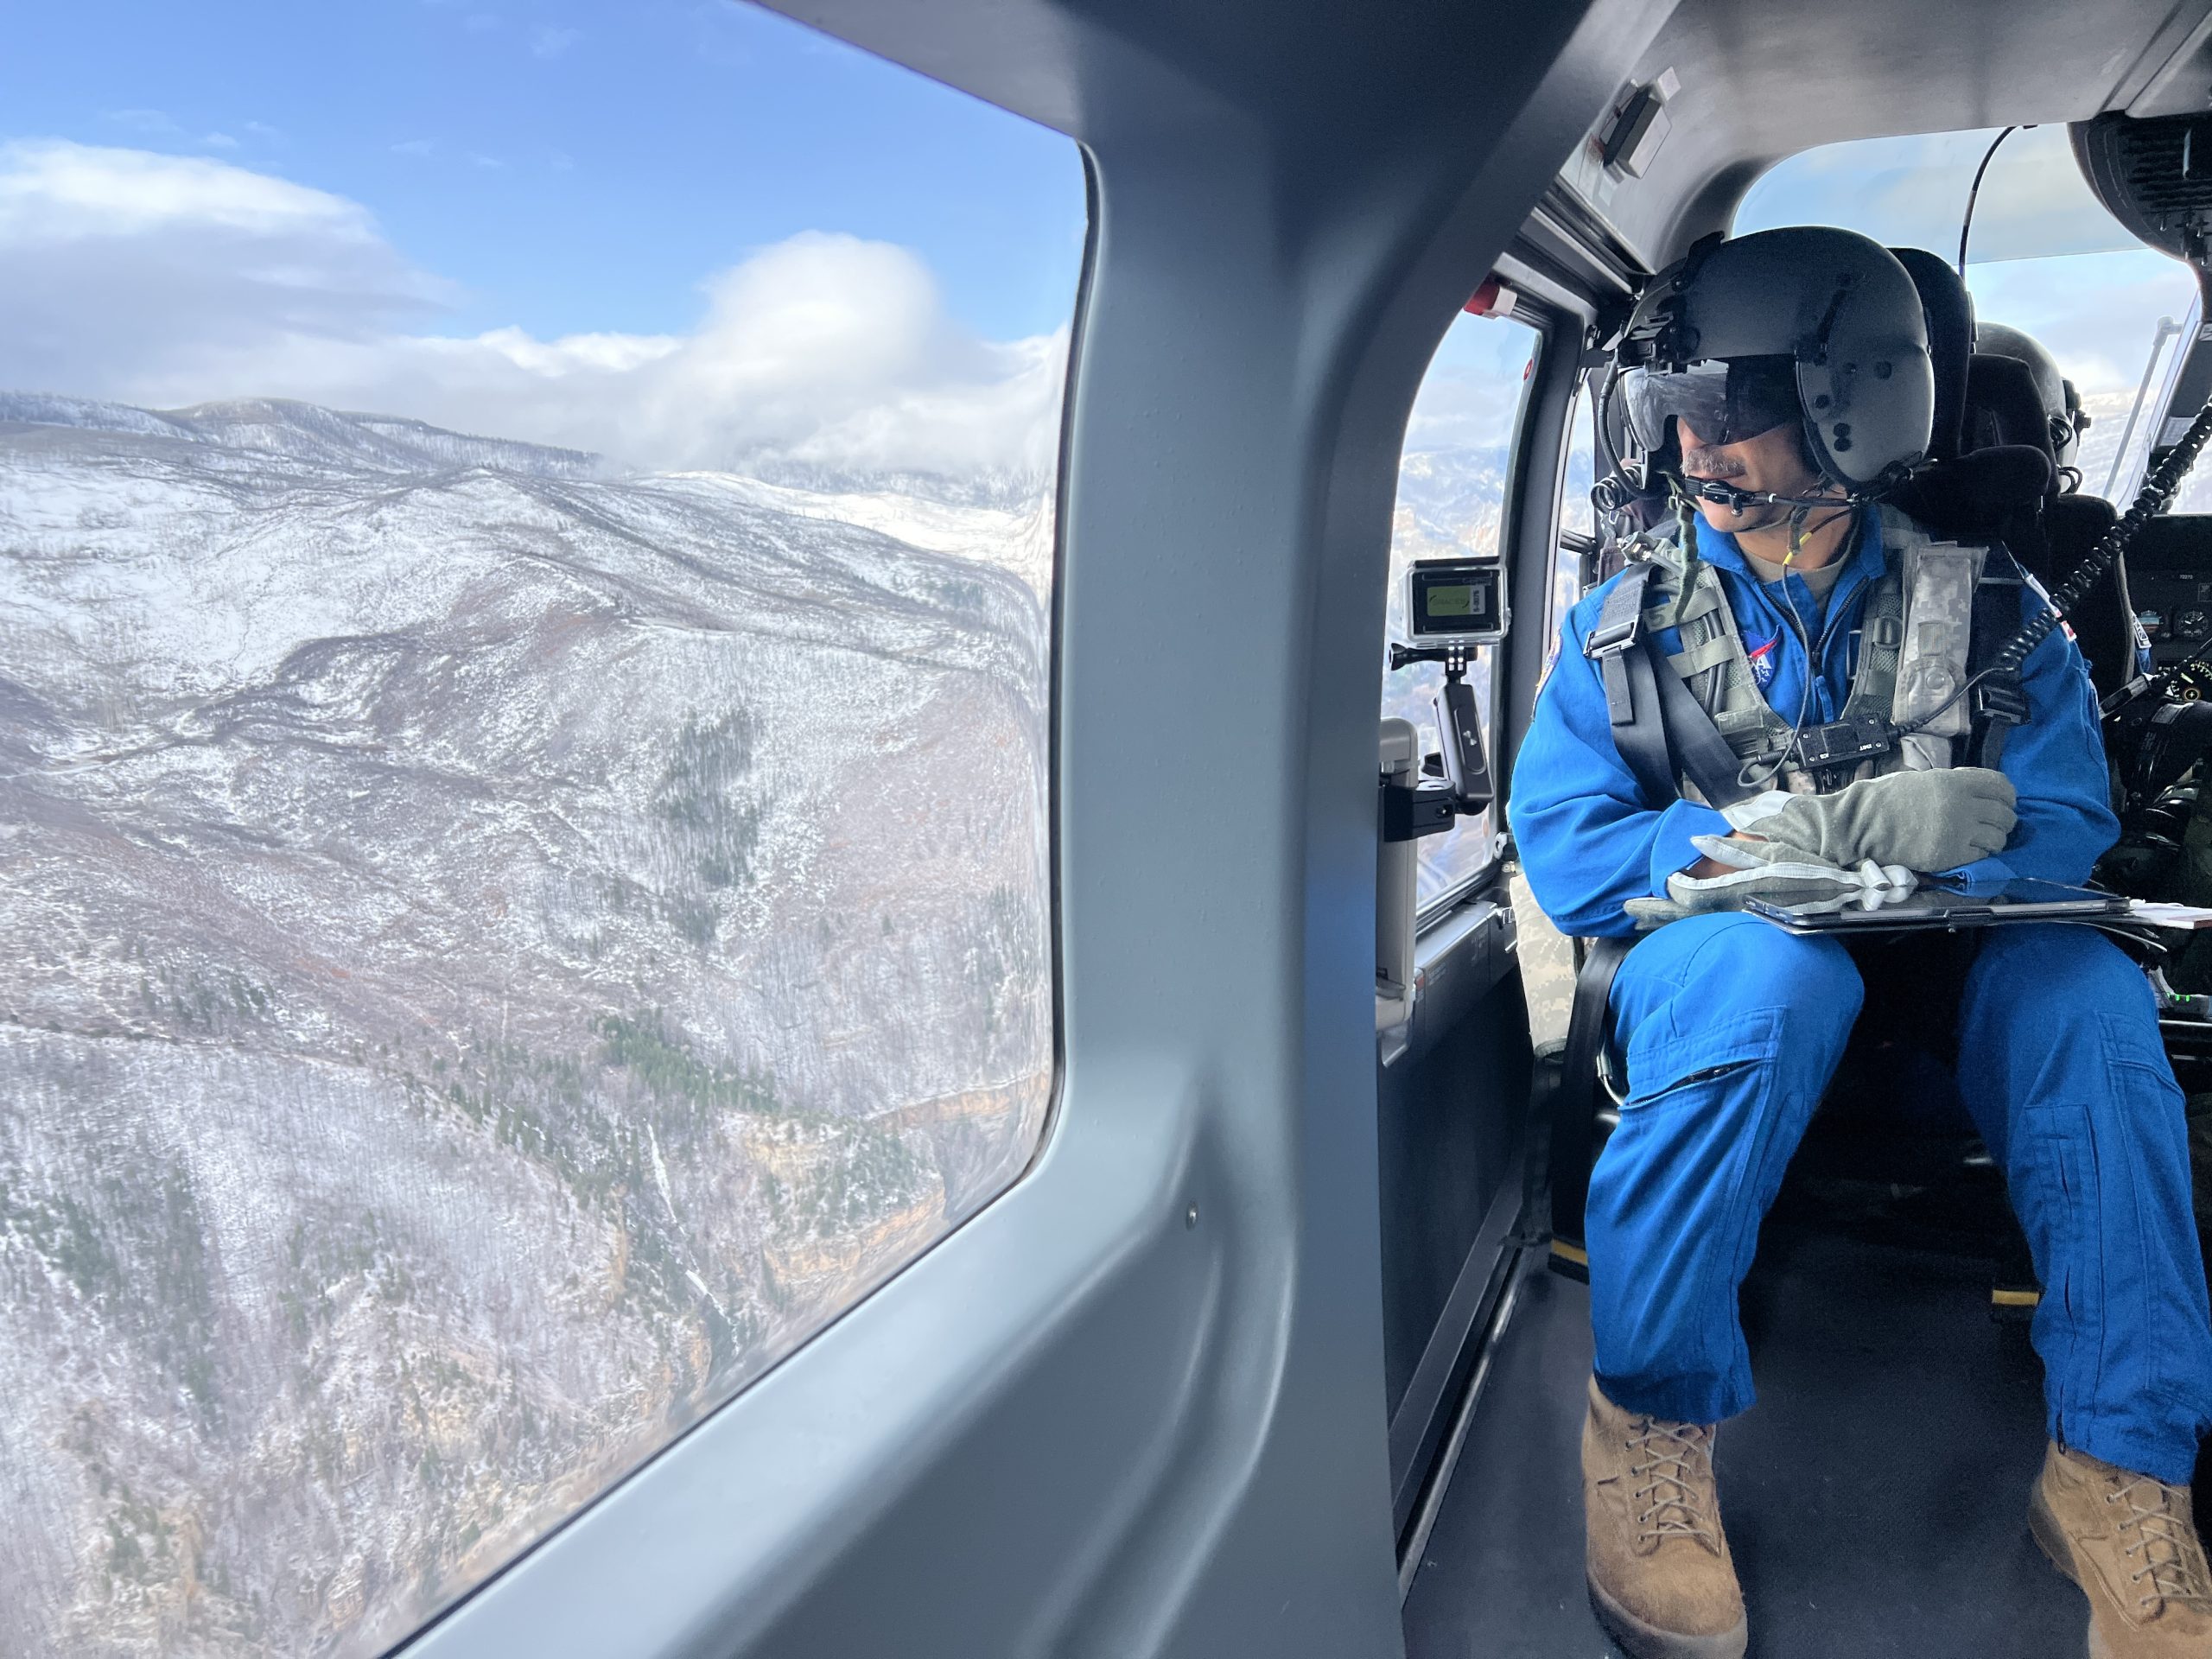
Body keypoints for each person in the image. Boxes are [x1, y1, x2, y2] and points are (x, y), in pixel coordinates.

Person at [1509, 226, 2212, 1659]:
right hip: (1737, 976)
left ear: (1852, 408)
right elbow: (1572, 849)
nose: (1702, 443)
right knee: (1771, 969)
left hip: (1961, 987)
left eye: (1738, 410)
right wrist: (1758, 848)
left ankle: (2117, 1468)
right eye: (1682, 408)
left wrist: (1965, 838)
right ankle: (1646, 1425)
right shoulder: (1620, 639)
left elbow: (2070, 819)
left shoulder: (1998, 610)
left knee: (2089, 1003)